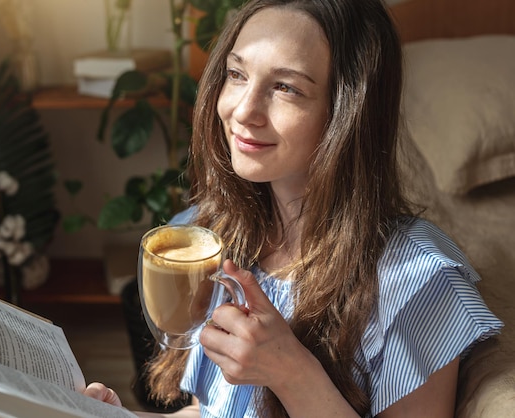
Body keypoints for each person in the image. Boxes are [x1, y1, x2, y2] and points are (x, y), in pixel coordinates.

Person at [84, 0, 503, 416]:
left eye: (286, 87)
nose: (243, 111)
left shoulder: (418, 282)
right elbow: (213, 412)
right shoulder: (215, 233)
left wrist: (292, 373)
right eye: (236, 74)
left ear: (348, 112)